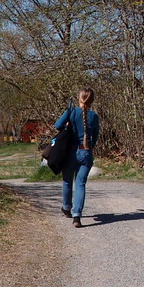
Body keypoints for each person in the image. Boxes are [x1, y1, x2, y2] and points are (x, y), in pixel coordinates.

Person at [55, 88, 100, 228]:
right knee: (80, 184)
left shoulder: (72, 112)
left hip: (70, 152)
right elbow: (95, 137)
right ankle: (77, 216)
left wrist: (67, 124)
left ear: (79, 98)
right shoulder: (94, 116)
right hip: (86, 152)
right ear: (92, 100)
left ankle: (66, 207)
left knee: (67, 181)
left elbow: (57, 126)